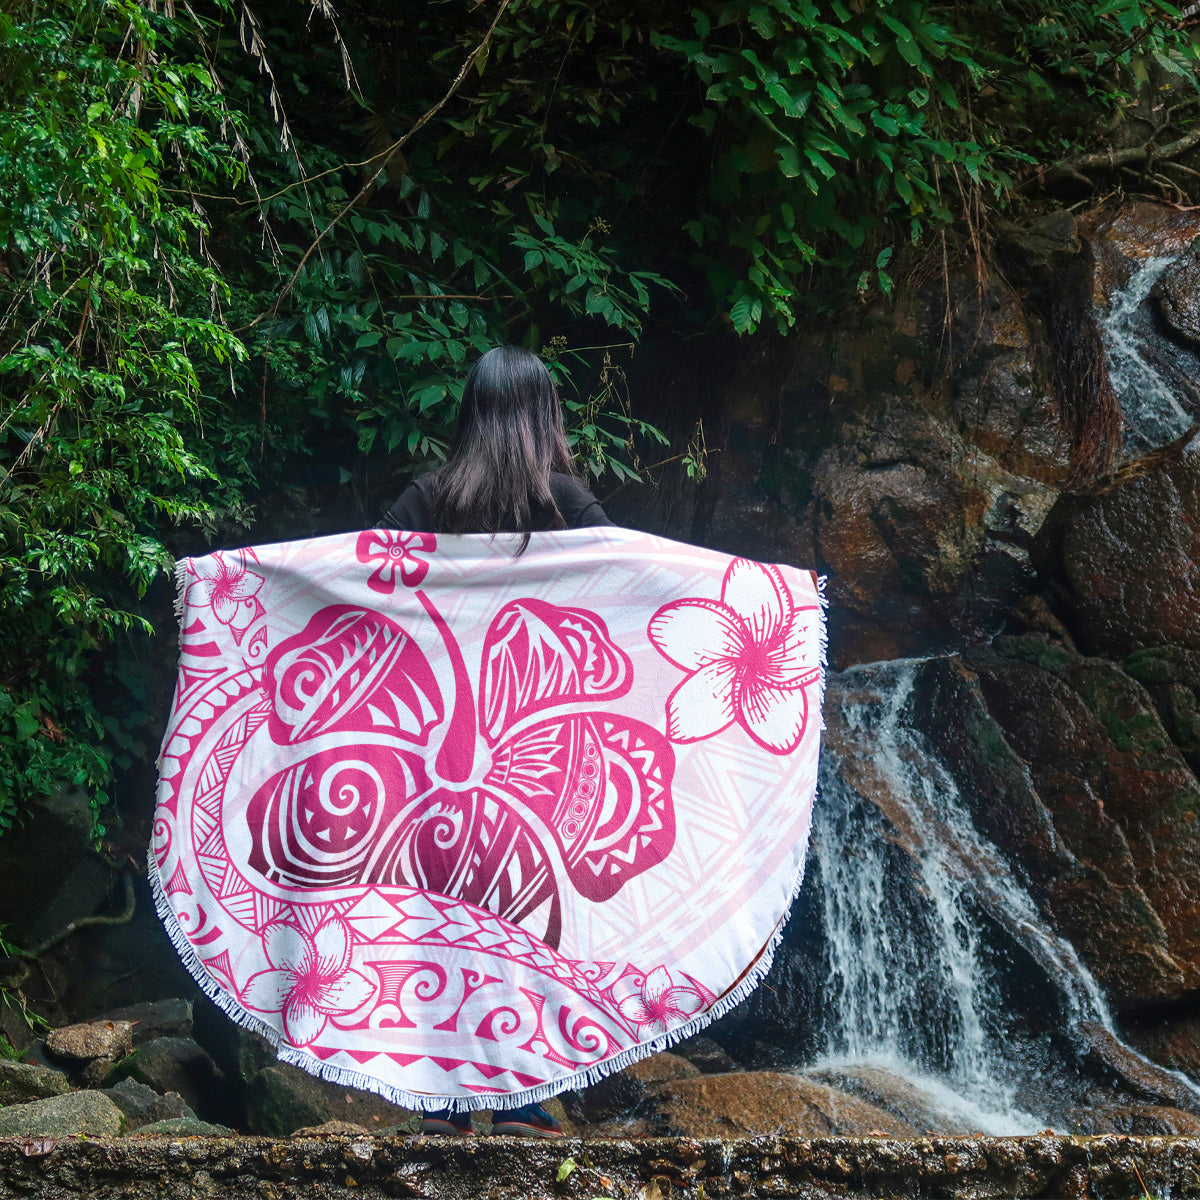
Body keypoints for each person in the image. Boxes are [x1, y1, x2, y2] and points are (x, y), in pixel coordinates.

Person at [381, 345, 613, 1137]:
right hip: (532, 765)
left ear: (472, 412)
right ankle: (512, 1093)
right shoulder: (569, 506)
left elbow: (369, 594)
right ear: (545, 416)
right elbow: (622, 597)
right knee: (521, 928)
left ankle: (442, 1093)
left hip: (431, 761)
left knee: (438, 921)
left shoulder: (425, 499)